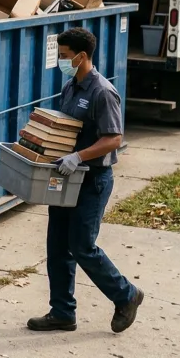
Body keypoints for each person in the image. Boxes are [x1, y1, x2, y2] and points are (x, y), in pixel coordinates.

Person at [27, 27, 144, 334]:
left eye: (64, 56)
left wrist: (78, 157)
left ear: (81, 56)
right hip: (66, 178)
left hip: (92, 181)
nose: (61, 61)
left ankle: (127, 295)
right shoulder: (71, 87)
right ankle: (63, 312)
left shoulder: (102, 92)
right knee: (57, 247)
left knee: (81, 246)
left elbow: (114, 138)